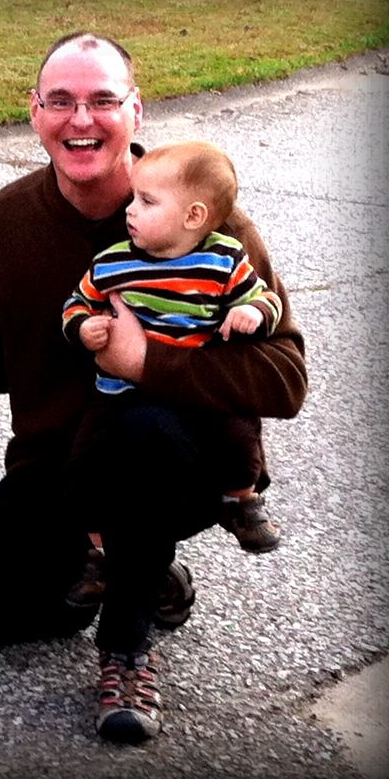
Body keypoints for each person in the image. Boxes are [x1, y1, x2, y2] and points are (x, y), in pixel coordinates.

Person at [0, 32, 306, 743]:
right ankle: (138, 573)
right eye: (60, 101)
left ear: (135, 111)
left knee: (141, 428)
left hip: (180, 467)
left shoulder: (204, 220)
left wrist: (146, 363)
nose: (81, 120)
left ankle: (125, 650)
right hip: (59, 478)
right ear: (34, 113)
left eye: (101, 101)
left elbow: (285, 376)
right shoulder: (3, 221)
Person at [63, 140, 284, 556]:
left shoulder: (223, 258)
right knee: (86, 463)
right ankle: (97, 552)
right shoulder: (113, 262)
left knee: (238, 430)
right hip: (119, 397)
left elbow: (265, 299)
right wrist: (82, 327)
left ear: (193, 216)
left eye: (146, 201)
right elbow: (78, 301)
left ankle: (241, 497)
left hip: (194, 394)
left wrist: (252, 313)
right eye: (132, 198)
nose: (129, 210)